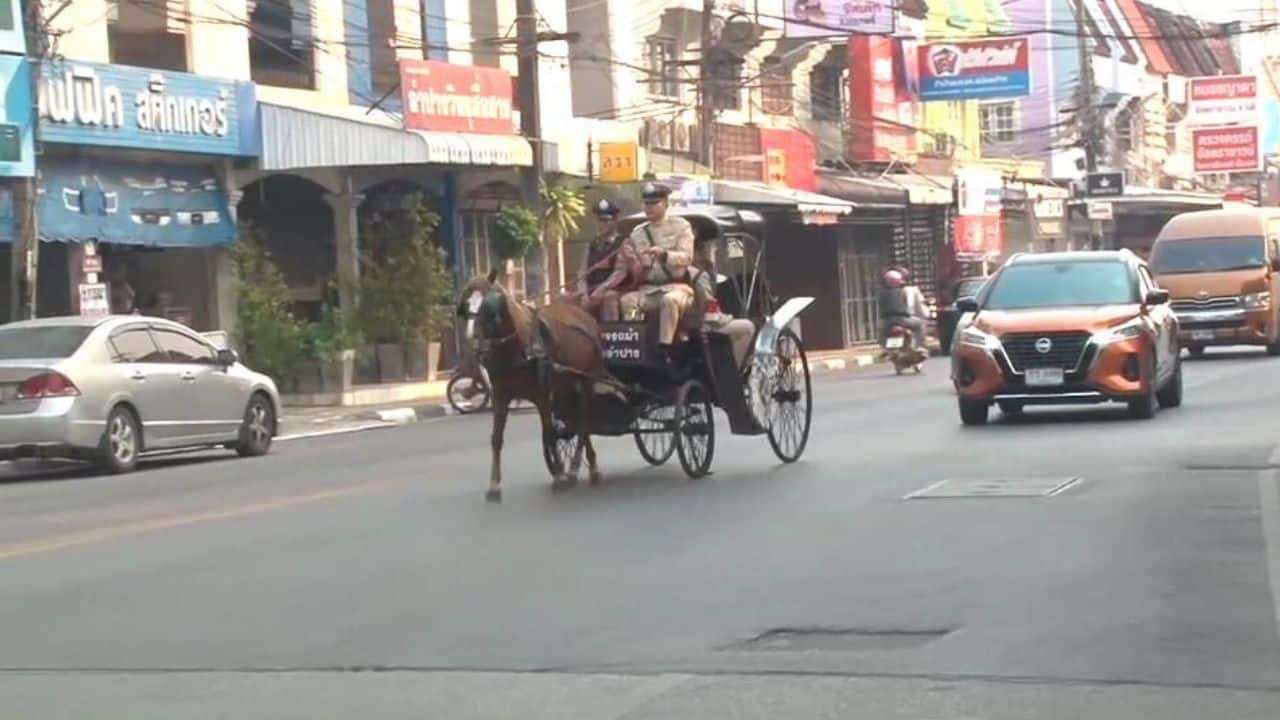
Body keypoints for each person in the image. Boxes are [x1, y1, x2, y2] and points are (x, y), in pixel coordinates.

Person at [619, 182, 696, 353]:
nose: (649, 207)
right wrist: (634, 261)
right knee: (627, 301)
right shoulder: (637, 232)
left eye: (654, 203)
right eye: (646, 203)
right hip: (648, 289)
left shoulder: (680, 226)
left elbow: (687, 258)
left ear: (666, 204)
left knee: (669, 301)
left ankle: (665, 349)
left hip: (676, 287)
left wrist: (664, 254)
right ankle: (636, 345)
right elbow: (633, 268)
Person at [576, 198, 634, 322]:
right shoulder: (592, 244)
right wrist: (583, 292)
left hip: (615, 289)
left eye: (606, 221)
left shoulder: (623, 242)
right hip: (591, 289)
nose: (602, 225)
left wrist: (601, 289)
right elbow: (582, 272)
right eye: (600, 221)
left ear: (614, 221)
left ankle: (612, 337)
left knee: (609, 298)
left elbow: (620, 272)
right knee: (566, 300)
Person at [879, 268, 928, 348]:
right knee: (920, 324)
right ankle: (920, 346)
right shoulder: (903, 292)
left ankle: (885, 348)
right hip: (902, 320)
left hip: (886, 322)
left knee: (881, 333)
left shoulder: (881, 293)